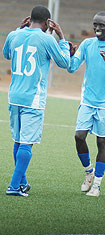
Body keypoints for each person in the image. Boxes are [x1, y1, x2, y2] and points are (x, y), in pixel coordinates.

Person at [2, 5, 70, 196]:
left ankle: (22, 182)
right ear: (48, 23)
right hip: (33, 98)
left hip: (14, 96)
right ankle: (14, 186)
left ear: (28, 19)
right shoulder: (47, 39)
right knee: (26, 143)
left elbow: (7, 54)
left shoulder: (14, 35)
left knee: (18, 140)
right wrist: (62, 39)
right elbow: (64, 62)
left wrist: (18, 28)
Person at [67, 11, 105, 197]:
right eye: (95, 24)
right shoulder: (87, 44)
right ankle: (89, 172)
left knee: (101, 142)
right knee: (79, 137)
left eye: (102, 25)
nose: (97, 28)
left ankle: (97, 185)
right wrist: (71, 55)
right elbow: (71, 68)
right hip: (87, 100)